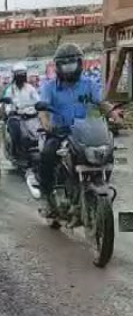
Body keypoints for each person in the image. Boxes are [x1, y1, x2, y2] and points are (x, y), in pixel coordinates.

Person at [38, 43, 103, 217]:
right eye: (64, 65)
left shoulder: (89, 83)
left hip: (85, 132)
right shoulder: (49, 86)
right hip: (60, 132)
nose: (68, 69)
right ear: (58, 67)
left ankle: (97, 183)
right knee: (47, 154)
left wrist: (113, 113)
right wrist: (46, 124)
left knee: (104, 152)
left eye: (72, 64)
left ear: (80, 64)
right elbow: (42, 109)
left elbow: (102, 102)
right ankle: (47, 196)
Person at [1, 63, 39, 157]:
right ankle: (16, 151)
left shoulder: (30, 88)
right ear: (14, 75)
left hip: (30, 116)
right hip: (16, 116)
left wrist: (38, 107)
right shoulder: (10, 89)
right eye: (18, 74)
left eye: (22, 74)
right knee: (16, 130)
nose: (20, 77)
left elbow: (38, 101)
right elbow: (7, 104)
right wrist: (10, 111)